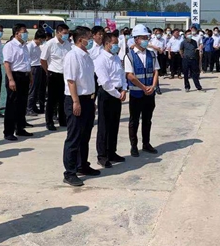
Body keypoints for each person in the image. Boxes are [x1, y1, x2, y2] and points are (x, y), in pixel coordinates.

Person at [62, 26, 99, 187]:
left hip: (88, 99)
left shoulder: (87, 56)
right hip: (76, 99)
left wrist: (92, 101)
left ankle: (82, 164)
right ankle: (70, 172)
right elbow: (71, 81)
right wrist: (76, 102)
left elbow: (89, 80)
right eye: (88, 38)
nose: (91, 41)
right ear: (80, 40)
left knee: (85, 136)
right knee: (74, 137)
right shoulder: (72, 56)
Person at [125, 24, 160, 157]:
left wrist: (153, 86)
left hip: (149, 94)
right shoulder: (129, 56)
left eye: (147, 37)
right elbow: (130, 75)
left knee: (147, 119)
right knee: (134, 121)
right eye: (143, 38)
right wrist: (143, 87)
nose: (146, 40)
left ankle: (146, 143)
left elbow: (156, 71)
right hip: (136, 94)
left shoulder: (152, 54)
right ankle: (133, 146)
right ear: (136, 39)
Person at [94, 33, 127, 168]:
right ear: (107, 44)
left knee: (114, 124)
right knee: (104, 126)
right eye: (115, 43)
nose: (117, 46)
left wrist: (124, 89)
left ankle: (111, 152)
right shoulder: (100, 59)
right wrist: (117, 94)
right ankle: (102, 155)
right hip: (107, 94)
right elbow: (105, 82)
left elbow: (122, 75)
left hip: (118, 93)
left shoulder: (116, 58)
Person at [2, 24, 33, 141]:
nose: (26, 34)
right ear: (16, 33)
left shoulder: (25, 46)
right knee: (12, 104)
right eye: (24, 32)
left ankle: (20, 128)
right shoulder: (10, 46)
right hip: (15, 76)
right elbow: (7, 64)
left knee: (22, 104)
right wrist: (11, 79)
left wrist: (30, 76)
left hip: (24, 76)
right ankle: (8, 131)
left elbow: (27, 62)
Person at [42, 23, 72, 130]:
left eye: (67, 33)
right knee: (51, 100)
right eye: (64, 33)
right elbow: (43, 60)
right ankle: (49, 121)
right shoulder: (50, 44)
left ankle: (62, 120)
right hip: (53, 74)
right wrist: (48, 72)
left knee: (63, 99)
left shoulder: (68, 44)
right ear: (58, 32)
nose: (66, 35)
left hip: (65, 75)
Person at [26, 29, 47, 117]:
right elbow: (27, 60)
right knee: (32, 89)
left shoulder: (38, 47)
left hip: (38, 68)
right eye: (42, 40)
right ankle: (29, 108)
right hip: (33, 68)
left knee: (37, 89)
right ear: (39, 39)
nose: (43, 42)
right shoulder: (30, 46)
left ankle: (34, 106)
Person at [149, 28, 166, 95]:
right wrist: (155, 47)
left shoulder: (163, 40)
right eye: (157, 33)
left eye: (159, 33)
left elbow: (164, 47)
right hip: (150, 56)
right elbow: (148, 45)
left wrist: (161, 50)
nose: (158, 34)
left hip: (157, 56)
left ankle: (157, 87)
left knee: (156, 72)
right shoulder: (152, 39)